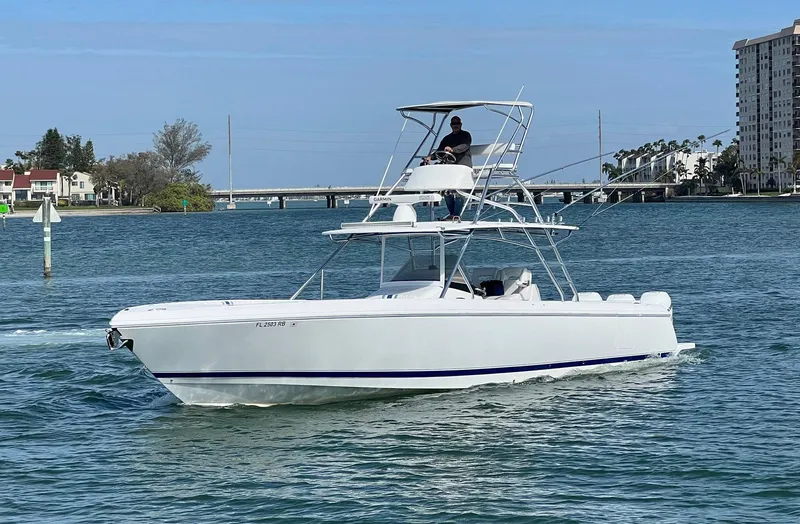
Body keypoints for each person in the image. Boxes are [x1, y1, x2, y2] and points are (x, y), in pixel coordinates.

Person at [424, 116, 471, 221]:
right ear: (451, 125)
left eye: (457, 123)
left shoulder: (466, 135)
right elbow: (440, 151)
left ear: (461, 124)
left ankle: (456, 215)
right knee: (446, 192)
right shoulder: (446, 138)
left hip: (464, 168)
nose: (456, 125)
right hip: (450, 169)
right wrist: (430, 157)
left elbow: (464, 146)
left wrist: (452, 149)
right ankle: (452, 215)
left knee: (460, 193)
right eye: (454, 123)